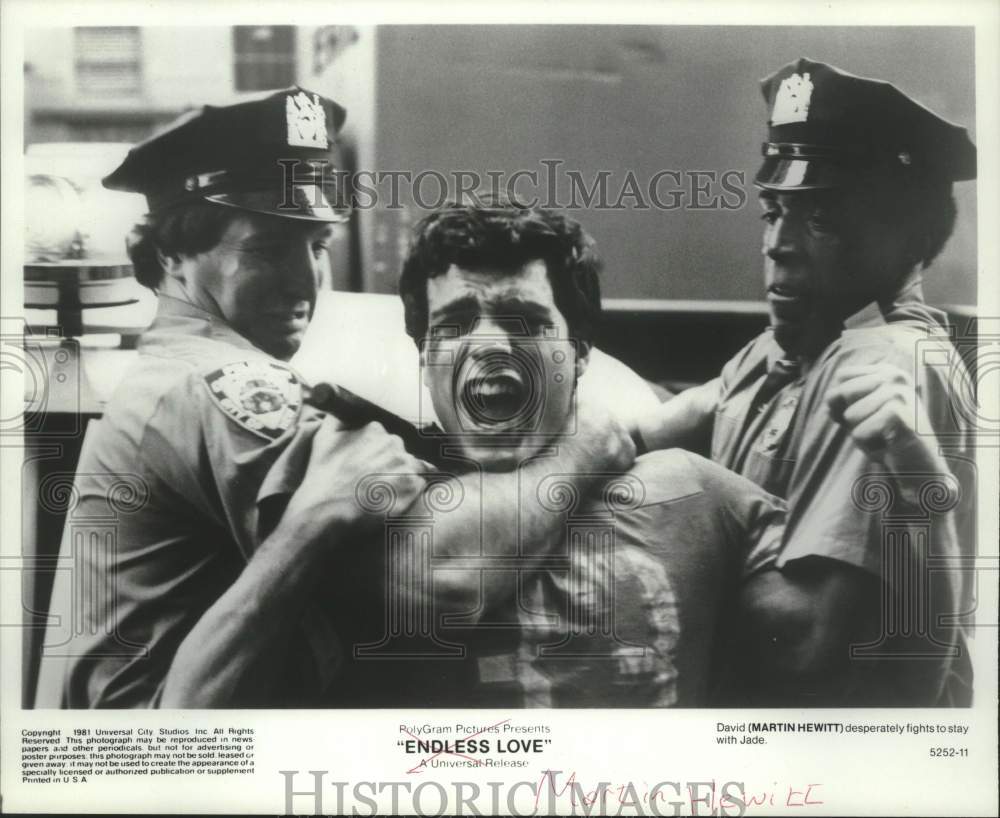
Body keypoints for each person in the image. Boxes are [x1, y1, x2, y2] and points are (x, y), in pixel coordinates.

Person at [34, 90, 634, 708]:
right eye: (268, 249)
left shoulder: (165, 374)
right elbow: (444, 580)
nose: (304, 280)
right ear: (171, 255)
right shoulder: (221, 384)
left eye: (317, 246)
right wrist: (590, 445)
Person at [314, 198, 790, 708]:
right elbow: (436, 586)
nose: (490, 345)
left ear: (580, 351)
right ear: (424, 354)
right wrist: (589, 445)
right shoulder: (373, 487)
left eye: (523, 320)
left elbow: (813, 636)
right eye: (454, 324)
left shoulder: (693, 491)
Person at [634, 58, 976, 705]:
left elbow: (804, 650)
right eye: (773, 211)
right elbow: (664, 420)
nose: (778, 244)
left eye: (817, 217)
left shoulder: (885, 362)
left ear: (901, 235)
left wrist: (696, 509)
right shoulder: (792, 345)